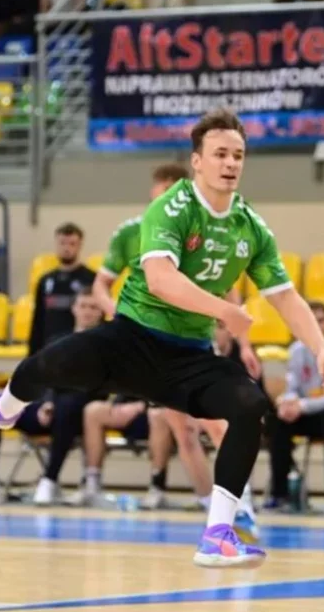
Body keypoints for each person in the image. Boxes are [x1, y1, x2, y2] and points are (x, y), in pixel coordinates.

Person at [0, 108, 324, 569]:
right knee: (46, 364)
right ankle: (3, 410)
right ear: (197, 161)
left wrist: (321, 348)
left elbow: (284, 296)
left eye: (238, 155)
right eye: (220, 154)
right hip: (131, 342)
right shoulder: (170, 209)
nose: (230, 163)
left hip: (189, 358)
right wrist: (225, 310)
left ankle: (218, 534)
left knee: (249, 405)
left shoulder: (251, 227)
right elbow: (162, 281)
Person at [91, 162, 260, 532]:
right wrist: (120, 315)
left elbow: (229, 288)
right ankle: (211, 508)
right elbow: (100, 285)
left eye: (174, 188)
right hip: (150, 343)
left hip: (193, 342)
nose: (168, 196)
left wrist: (243, 342)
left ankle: (241, 504)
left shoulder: (201, 228)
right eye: (161, 189)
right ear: (154, 192)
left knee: (217, 423)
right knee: (182, 431)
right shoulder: (131, 232)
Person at [0, 225, 95, 506]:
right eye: (63, 242)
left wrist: (52, 401)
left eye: (72, 243)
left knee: (67, 407)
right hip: (50, 381)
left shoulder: (93, 292)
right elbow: (36, 336)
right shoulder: (46, 285)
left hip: (73, 400)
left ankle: (49, 481)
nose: (67, 248)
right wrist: (39, 394)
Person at [266, 300, 324, 513]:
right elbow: (292, 386)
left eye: (321, 320)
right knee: (277, 419)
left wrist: (302, 406)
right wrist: (287, 403)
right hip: (307, 412)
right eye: (313, 321)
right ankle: (280, 493)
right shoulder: (297, 350)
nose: (318, 325)